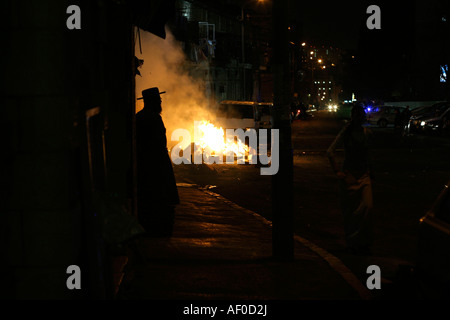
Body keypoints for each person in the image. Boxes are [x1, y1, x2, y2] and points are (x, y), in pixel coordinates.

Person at [327, 105, 374, 255]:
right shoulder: (347, 132)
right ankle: (353, 243)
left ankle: (362, 241)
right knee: (352, 212)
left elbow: (368, 154)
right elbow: (330, 151)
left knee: (367, 207)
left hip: (363, 175)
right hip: (350, 175)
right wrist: (338, 172)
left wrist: (369, 170)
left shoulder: (366, 132)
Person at [136, 87, 179, 237]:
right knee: (159, 197)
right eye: (159, 100)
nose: (161, 103)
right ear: (152, 102)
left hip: (149, 163)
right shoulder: (152, 117)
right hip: (155, 164)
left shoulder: (140, 117)